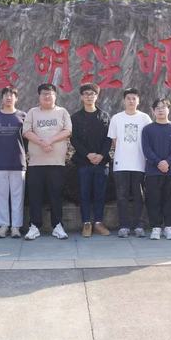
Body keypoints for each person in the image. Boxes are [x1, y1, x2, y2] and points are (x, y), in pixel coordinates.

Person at [22, 83, 72, 240]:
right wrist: (42, 142)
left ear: (55, 96)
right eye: (44, 93)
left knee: (56, 195)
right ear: (39, 96)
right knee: (35, 196)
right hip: (36, 163)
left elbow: (68, 130)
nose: (47, 96)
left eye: (50, 93)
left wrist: (50, 140)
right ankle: (34, 226)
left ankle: (57, 226)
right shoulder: (32, 112)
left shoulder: (62, 112)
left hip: (57, 163)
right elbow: (26, 131)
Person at [107, 88, 152, 238]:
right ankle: (124, 226)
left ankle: (139, 225)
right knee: (122, 196)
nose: (131, 101)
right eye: (128, 98)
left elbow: (149, 139)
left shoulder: (145, 118)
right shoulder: (116, 118)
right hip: (121, 163)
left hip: (139, 163)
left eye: (134, 98)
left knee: (139, 195)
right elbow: (114, 141)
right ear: (124, 100)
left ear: (138, 100)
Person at [70, 83, 112, 237]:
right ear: (82, 97)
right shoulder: (75, 117)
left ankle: (99, 223)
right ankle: (86, 223)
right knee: (84, 193)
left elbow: (109, 138)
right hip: (83, 162)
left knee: (100, 194)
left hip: (102, 162)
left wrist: (101, 155)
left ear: (97, 96)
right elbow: (74, 139)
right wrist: (87, 154)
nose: (89, 96)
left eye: (92, 94)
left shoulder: (105, 116)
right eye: (86, 94)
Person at [141, 98, 171, 240]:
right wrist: (159, 162)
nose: (160, 110)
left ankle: (169, 227)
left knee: (170, 200)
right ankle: (156, 227)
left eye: (163, 107)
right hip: (153, 171)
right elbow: (146, 150)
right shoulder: (147, 129)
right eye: (157, 108)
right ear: (153, 111)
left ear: (168, 109)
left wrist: (167, 162)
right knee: (153, 200)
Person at [0, 86, 27, 239]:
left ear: (16, 98)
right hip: (0, 162)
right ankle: (3, 226)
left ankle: (16, 227)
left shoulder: (23, 116)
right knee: (1, 196)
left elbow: (26, 140)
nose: (8, 97)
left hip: (18, 162)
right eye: (5, 95)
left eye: (12, 95)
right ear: (2, 98)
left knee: (18, 196)